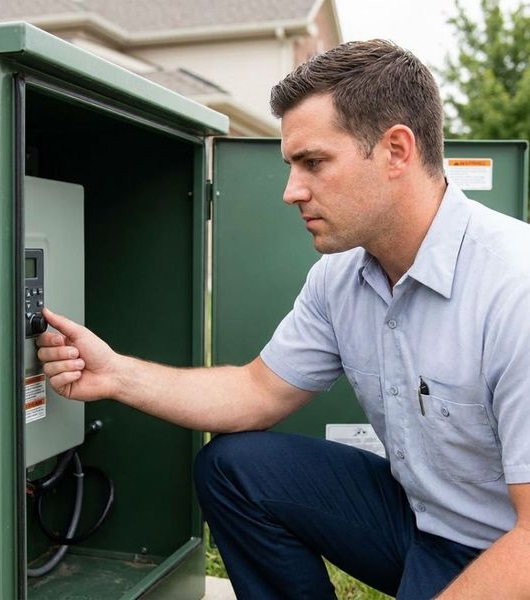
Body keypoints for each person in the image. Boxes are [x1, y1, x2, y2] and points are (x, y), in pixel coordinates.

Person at [37, 40, 530, 599]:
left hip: (505, 547)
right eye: (291, 165)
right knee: (235, 467)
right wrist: (117, 375)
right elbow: (256, 391)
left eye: (313, 163)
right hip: (421, 520)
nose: (291, 191)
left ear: (396, 151)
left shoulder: (514, 287)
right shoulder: (341, 275)